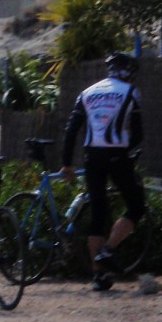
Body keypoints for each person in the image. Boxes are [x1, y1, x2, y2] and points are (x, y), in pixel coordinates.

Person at [60, 51, 146, 291]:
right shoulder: (131, 92)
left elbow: (71, 130)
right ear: (127, 71)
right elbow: (137, 134)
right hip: (117, 155)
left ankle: (98, 277)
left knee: (98, 213)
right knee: (136, 206)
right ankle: (106, 251)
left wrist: (66, 162)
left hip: (92, 156)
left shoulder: (87, 93)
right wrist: (131, 156)